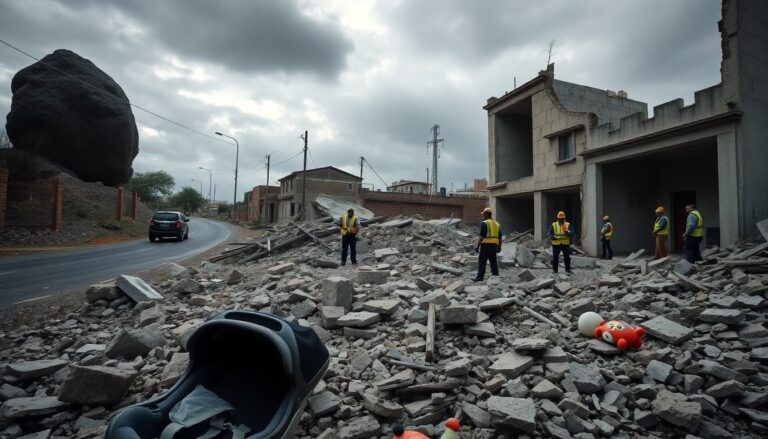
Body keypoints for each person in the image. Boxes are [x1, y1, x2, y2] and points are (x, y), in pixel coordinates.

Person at [472, 207, 501, 282]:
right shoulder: (497, 224)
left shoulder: (485, 223)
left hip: (486, 245)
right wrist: (499, 247)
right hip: (494, 245)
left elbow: (482, 236)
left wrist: (477, 246)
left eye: (484, 214)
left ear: (487, 214)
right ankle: (495, 276)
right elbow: (500, 237)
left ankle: (480, 277)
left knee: (482, 261)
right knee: (493, 261)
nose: (483, 216)